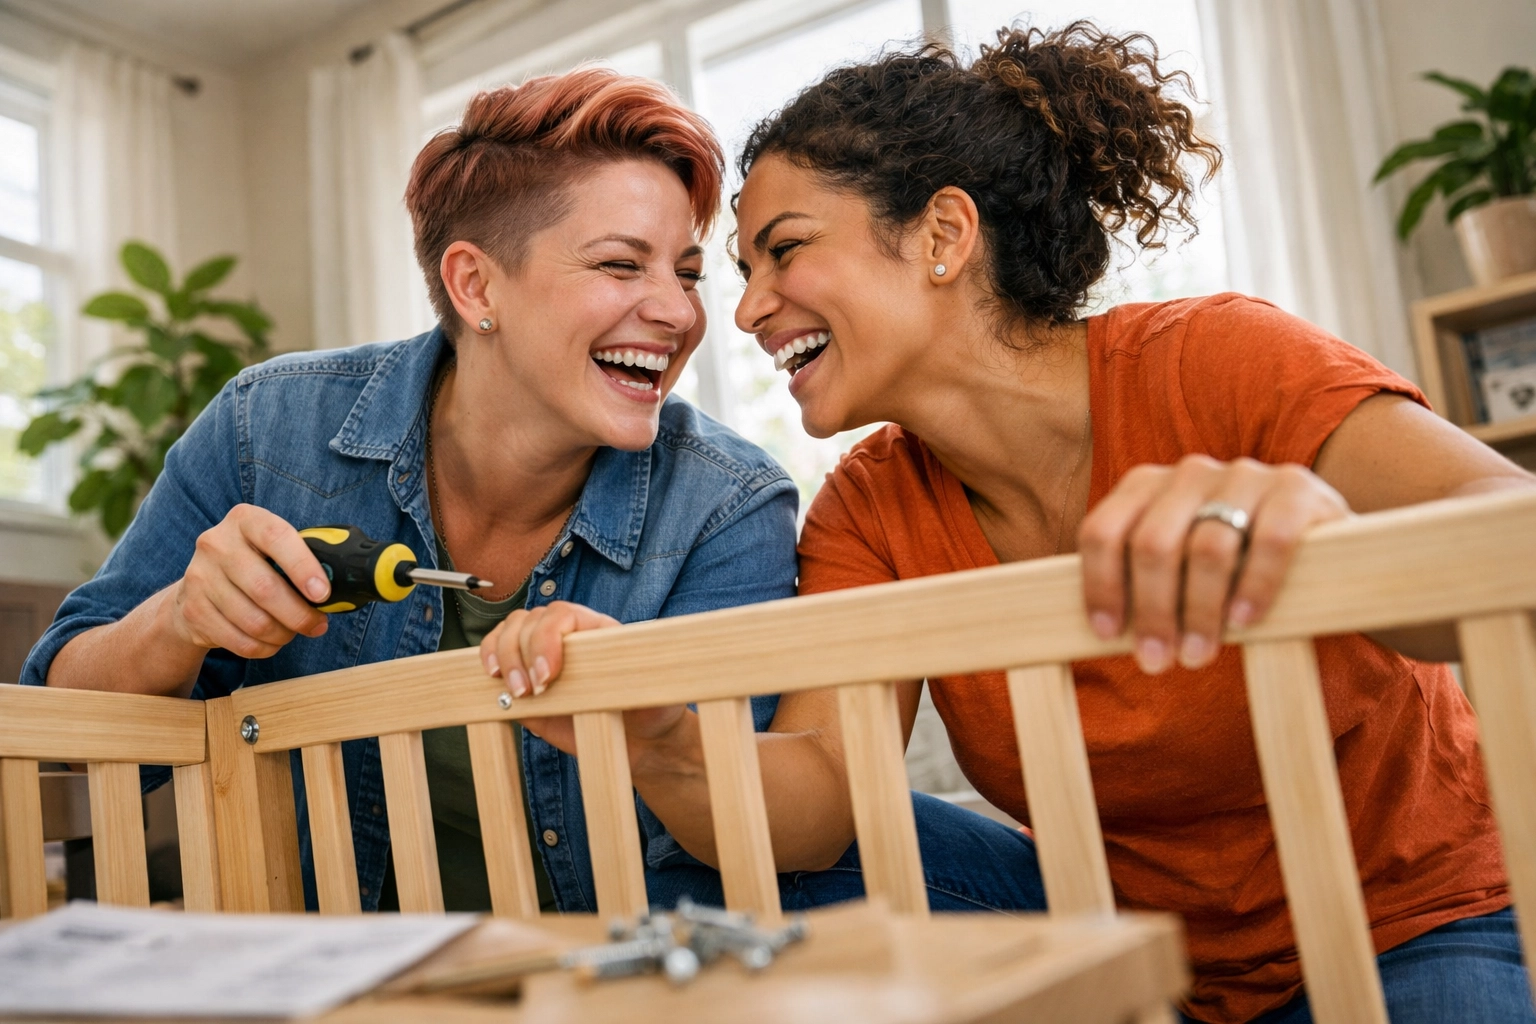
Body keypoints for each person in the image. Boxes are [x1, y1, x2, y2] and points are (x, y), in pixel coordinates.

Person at [23, 66, 1039, 917]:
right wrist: (180, 621)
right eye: (619, 264)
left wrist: (653, 727)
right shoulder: (265, 430)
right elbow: (57, 725)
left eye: (686, 271)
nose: (679, 312)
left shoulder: (727, 504)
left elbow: (751, 847)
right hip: (358, 964)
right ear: (476, 287)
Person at [711, 21, 1534, 1024]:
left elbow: (1510, 523)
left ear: (942, 236)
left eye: (783, 250)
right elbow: (823, 796)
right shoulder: (869, 507)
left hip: (1410, 920)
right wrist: (666, 740)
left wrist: (1329, 539)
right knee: (809, 879)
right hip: (1138, 949)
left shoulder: (1217, 360)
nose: (749, 309)